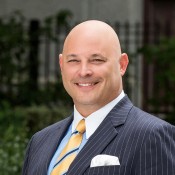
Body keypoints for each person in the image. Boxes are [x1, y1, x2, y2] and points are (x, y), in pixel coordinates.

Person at [22, 20, 175, 175]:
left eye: (96, 60)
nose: (83, 71)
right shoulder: (39, 141)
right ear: (62, 65)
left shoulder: (152, 136)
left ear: (122, 64)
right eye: (74, 60)